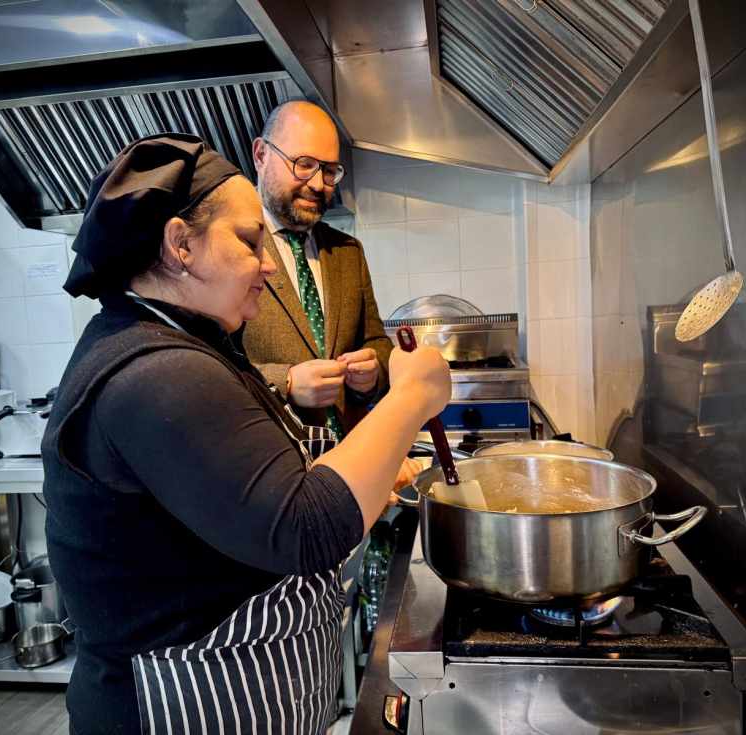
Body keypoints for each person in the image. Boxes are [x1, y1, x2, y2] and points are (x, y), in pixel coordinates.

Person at [41, 134, 449, 735]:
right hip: (182, 705)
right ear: (180, 245)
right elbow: (307, 528)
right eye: (249, 241)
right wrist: (412, 396)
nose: (266, 263)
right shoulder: (158, 372)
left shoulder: (186, 342)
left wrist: (370, 469)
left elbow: (254, 481)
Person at [243, 100, 392, 439]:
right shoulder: (230, 247)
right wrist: (287, 381)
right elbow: (206, 366)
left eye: (328, 171)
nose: (317, 183)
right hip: (272, 462)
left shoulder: (347, 252)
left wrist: (373, 372)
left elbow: (376, 341)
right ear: (261, 155)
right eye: (304, 164)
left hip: (349, 458)